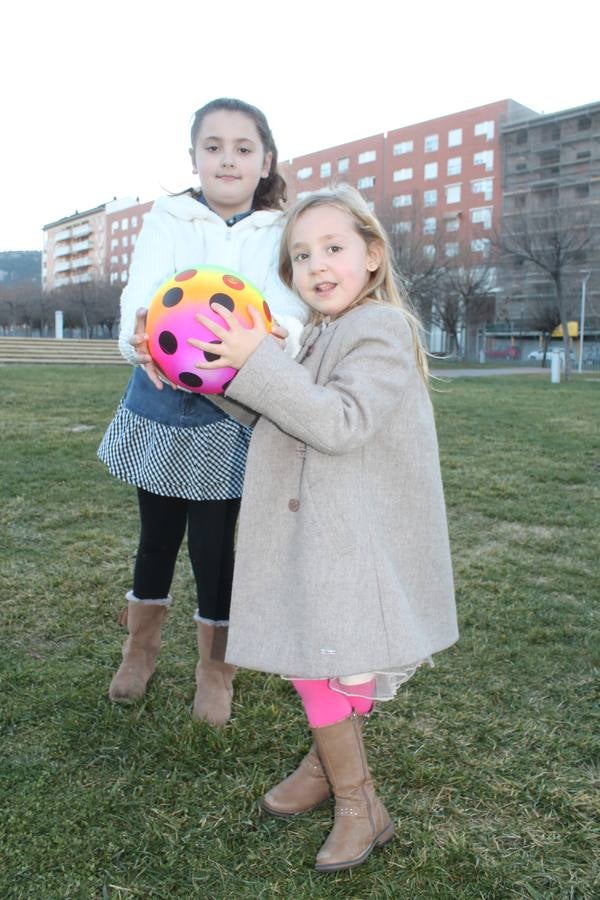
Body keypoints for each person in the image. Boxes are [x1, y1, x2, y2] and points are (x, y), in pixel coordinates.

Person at [188, 185, 458, 872]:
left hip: (352, 538)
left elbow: (338, 423)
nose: (316, 265)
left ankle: (359, 803)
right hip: (317, 534)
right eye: (301, 255)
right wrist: (217, 375)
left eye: (333, 248)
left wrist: (263, 363)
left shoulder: (380, 328)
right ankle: (326, 772)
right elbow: (285, 414)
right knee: (328, 663)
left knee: (329, 663)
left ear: (371, 254)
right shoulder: (316, 334)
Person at [97, 98, 308, 726]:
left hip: (231, 408)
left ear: (265, 161)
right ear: (194, 157)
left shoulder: (279, 229)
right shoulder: (169, 218)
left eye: (244, 148)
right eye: (213, 146)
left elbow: (286, 308)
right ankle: (141, 649)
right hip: (162, 399)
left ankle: (215, 670)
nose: (227, 159)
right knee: (157, 536)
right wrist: (136, 337)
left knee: (215, 547)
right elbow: (142, 292)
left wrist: (281, 338)